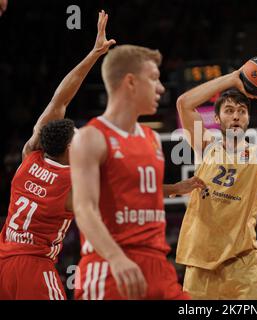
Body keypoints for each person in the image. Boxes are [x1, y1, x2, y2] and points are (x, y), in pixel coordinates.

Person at [69, 40, 205, 299]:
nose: (161, 88)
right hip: (110, 263)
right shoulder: (90, 137)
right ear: (130, 82)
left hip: (157, 264)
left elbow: (132, 190)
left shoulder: (151, 138)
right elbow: (84, 208)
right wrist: (116, 258)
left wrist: (175, 189)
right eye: (154, 78)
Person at [0, 10, 116, 300]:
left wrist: (94, 54)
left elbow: (59, 99)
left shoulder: (31, 155)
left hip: (3, 262)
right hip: (35, 267)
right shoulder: (72, 186)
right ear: (69, 149)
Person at [175, 63, 257, 299]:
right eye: (228, 110)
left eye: (242, 111)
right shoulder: (206, 147)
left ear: (248, 119)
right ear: (217, 118)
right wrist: (234, 78)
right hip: (200, 264)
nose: (235, 115)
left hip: (242, 265)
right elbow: (184, 103)